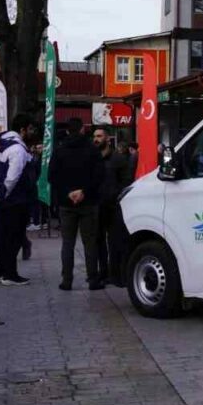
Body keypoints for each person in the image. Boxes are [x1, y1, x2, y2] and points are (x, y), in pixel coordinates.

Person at [50, 118, 105, 291]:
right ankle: (93, 279)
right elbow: (99, 175)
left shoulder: (59, 150)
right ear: (82, 130)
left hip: (66, 203)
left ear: (68, 131)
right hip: (89, 202)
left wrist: (68, 192)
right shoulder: (92, 150)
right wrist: (84, 191)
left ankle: (67, 280)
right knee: (90, 242)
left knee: (68, 243)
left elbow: (52, 176)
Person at [0, 114, 37, 286]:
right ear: (22, 130)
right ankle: (10, 274)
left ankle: (1, 272)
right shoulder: (18, 149)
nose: (32, 132)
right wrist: (2, 193)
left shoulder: (4, 147)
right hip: (16, 200)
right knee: (14, 237)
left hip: (5, 199)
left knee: (4, 236)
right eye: (30, 128)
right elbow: (13, 176)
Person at [93, 127, 133, 287]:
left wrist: (116, 195)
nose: (96, 139)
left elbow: (127, 181)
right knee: (98, 241)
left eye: (99, 136)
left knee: (115, 241)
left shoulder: (118, 159)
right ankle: (102, 273)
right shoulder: (92, 159)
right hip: (96, 206)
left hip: (114, 206)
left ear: (107, 139)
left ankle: (116, 275)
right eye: (94, 136)